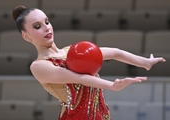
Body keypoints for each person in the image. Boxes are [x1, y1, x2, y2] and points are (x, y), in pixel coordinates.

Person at [12, 6, 166, 120]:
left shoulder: (73, 51)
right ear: (26, 37)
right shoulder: (39, 66)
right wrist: (112, 85)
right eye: (37, 26)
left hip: (101, 115)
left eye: (47, 22)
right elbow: (78, 78)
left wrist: (145, 62)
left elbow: (115, 52)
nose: (46, 28)